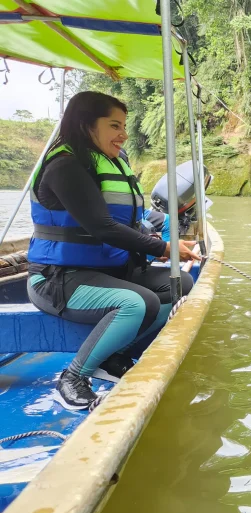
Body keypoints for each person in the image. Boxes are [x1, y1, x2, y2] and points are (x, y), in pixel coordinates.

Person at [25, 91, 199, 410]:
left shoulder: (108, 159)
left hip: (104, 270)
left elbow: (131, 221)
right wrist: (164, 247)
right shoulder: (65, 165)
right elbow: (103, 227)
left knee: (180, 285)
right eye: (114, 125)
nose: (123, 134)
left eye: (124, 126)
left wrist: (160, 238)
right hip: (57, 279)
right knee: (136, 304)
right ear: (85, 124)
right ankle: (74, 377)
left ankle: (111, 355)